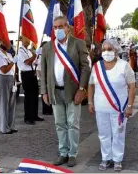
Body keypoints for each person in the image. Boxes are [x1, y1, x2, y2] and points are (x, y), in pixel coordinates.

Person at [41, 16, 91, 167]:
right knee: (59, 124)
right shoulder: (48, 47)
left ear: (68, 28)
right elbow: (43, 71)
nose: (58, 30)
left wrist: (82, 89)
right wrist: (44, 91)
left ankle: (72, 154)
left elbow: (85, 68)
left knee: (73, 124)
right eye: (55, 27)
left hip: (73, 91)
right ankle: (63, 152)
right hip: (55, 92)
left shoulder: (78, 44)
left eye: (61, 26)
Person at [88, 39, 136, 172]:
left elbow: (132, 86)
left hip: (119, 108)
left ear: (116, 51)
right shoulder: (97, 66)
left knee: (118, 133)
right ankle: (105, 158)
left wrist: (130, 106)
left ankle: (117, 159)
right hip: (101, 108)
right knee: (103, 134)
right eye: (104, 49)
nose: (106, 52)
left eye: (109, 49)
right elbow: (91, 84)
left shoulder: (124, 65)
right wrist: (90, 102)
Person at [17, 36, 44, 125]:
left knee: (35, 95)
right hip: (26, 74)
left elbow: (32, 62)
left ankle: (34, 115)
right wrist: (35, 55)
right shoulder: (20, 51)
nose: (28, 41)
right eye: (26, 39)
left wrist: (36, 59)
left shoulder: (28, 51)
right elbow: (27, 62)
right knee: (28, 96)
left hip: (32, 73)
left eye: (28, 39)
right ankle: (28, 117)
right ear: (22, 40)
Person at [0, 44, 18, 134]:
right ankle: (4, 127)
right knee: (4, 103)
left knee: (11, 104)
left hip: (11, 78)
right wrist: (12, 62)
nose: (8, 44)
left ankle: (11, 125)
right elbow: (4, 70)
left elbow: (12, 69)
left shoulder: (9, 55)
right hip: (3, 78)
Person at [35, 41, 53, 115]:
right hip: (43, 72)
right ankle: (47, 109)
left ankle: (47, 109)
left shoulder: (41, 52)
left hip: (44, 72)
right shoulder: (41, 53)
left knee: (46, 91)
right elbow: (39, 65)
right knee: (45, 91)